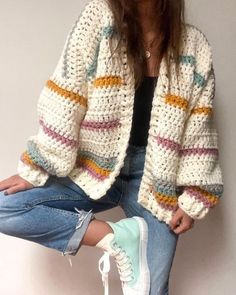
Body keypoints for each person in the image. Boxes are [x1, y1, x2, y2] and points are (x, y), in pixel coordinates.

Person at [0, 0, 224, 294]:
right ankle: (120, 238)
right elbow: (67, 94)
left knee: (152, 289)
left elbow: (199, 126)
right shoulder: (99, 19)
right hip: (93, 166)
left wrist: (195, 196)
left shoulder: (195, 46)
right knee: (5, 208)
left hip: (155, 179)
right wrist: (37, 167)